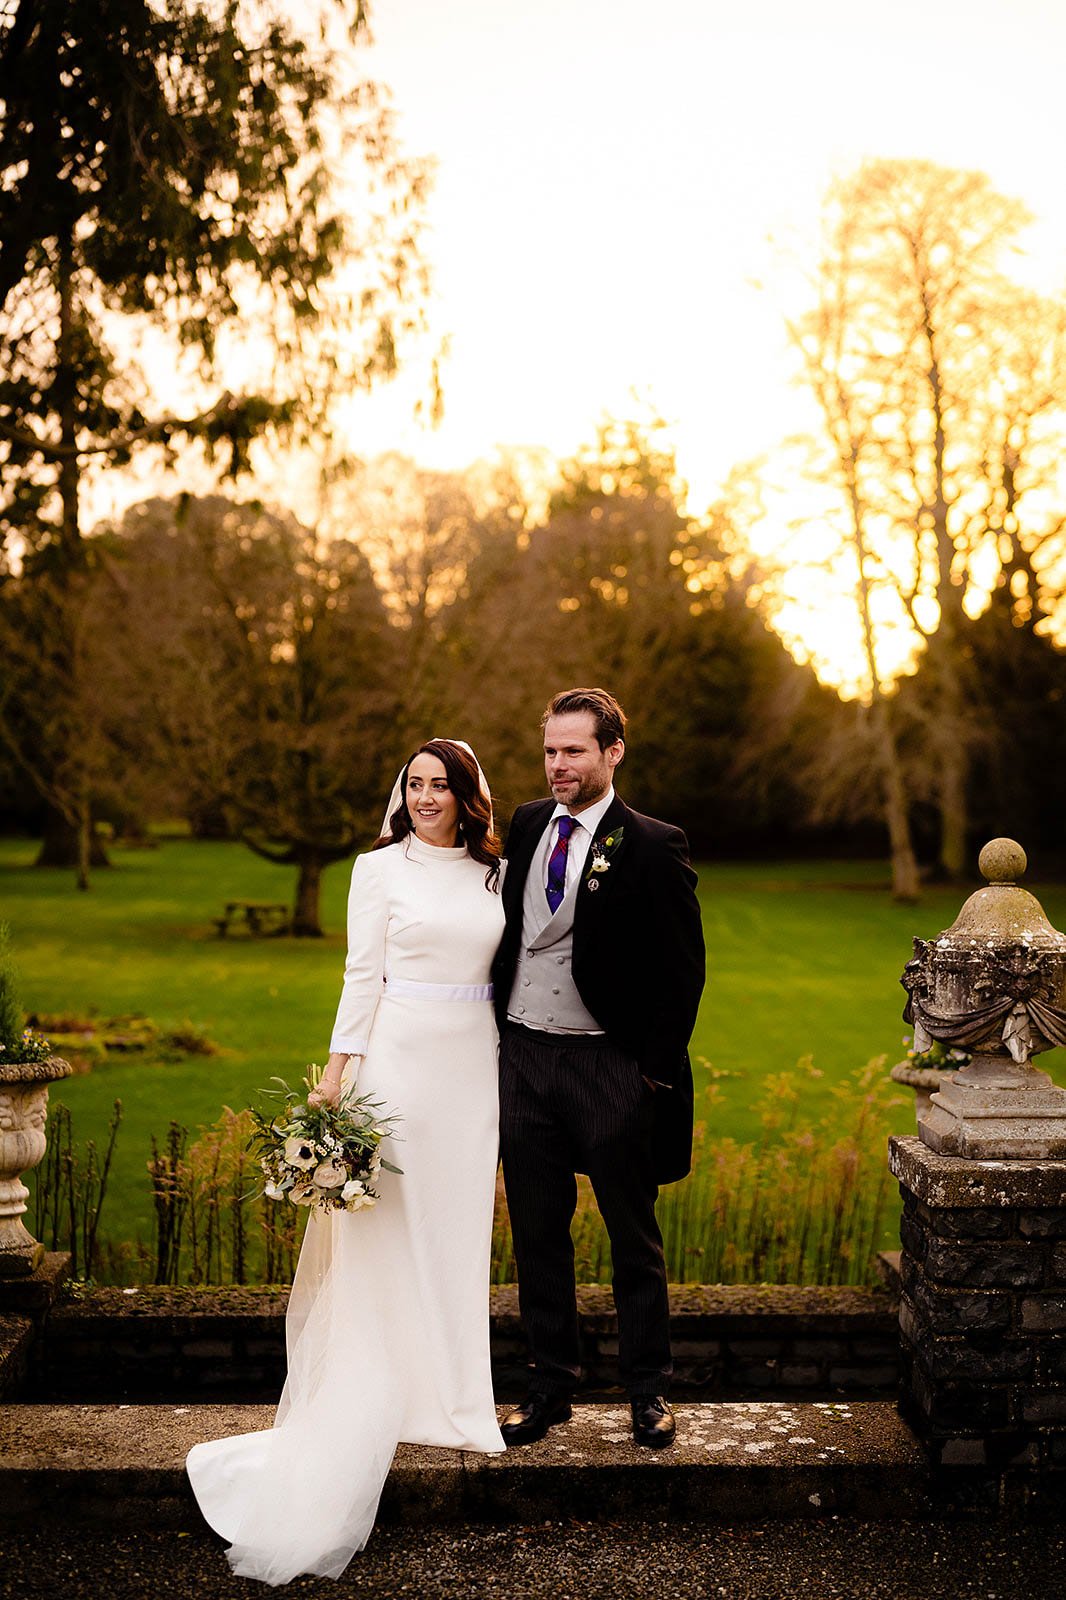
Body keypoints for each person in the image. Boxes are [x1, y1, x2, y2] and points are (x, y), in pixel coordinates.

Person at [186, 740, 506, 1584]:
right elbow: (361, 975)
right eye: (417, 784)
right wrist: (335, 1081)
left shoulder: (490, 872)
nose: (429, 796)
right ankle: (386, 1390)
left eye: (444, 784)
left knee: (457, 1228)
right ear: (401, 794)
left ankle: (454, 1395)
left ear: (468, 794)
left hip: (474, 1068)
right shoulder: (378, 869)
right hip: (397, 1062)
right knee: (387, 1234)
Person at [491, 687, 705, 1450]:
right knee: (539, 1235)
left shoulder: (652, 843)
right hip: (523, 1059)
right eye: (550, 750)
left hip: (608, 1068)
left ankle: (647, 1391)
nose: (558, 765)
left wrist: (648, 1072)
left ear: (612, 753)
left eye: (574, 750)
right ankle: (550, 1388)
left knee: (631, 1236)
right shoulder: (523, 824)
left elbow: (684, 973)